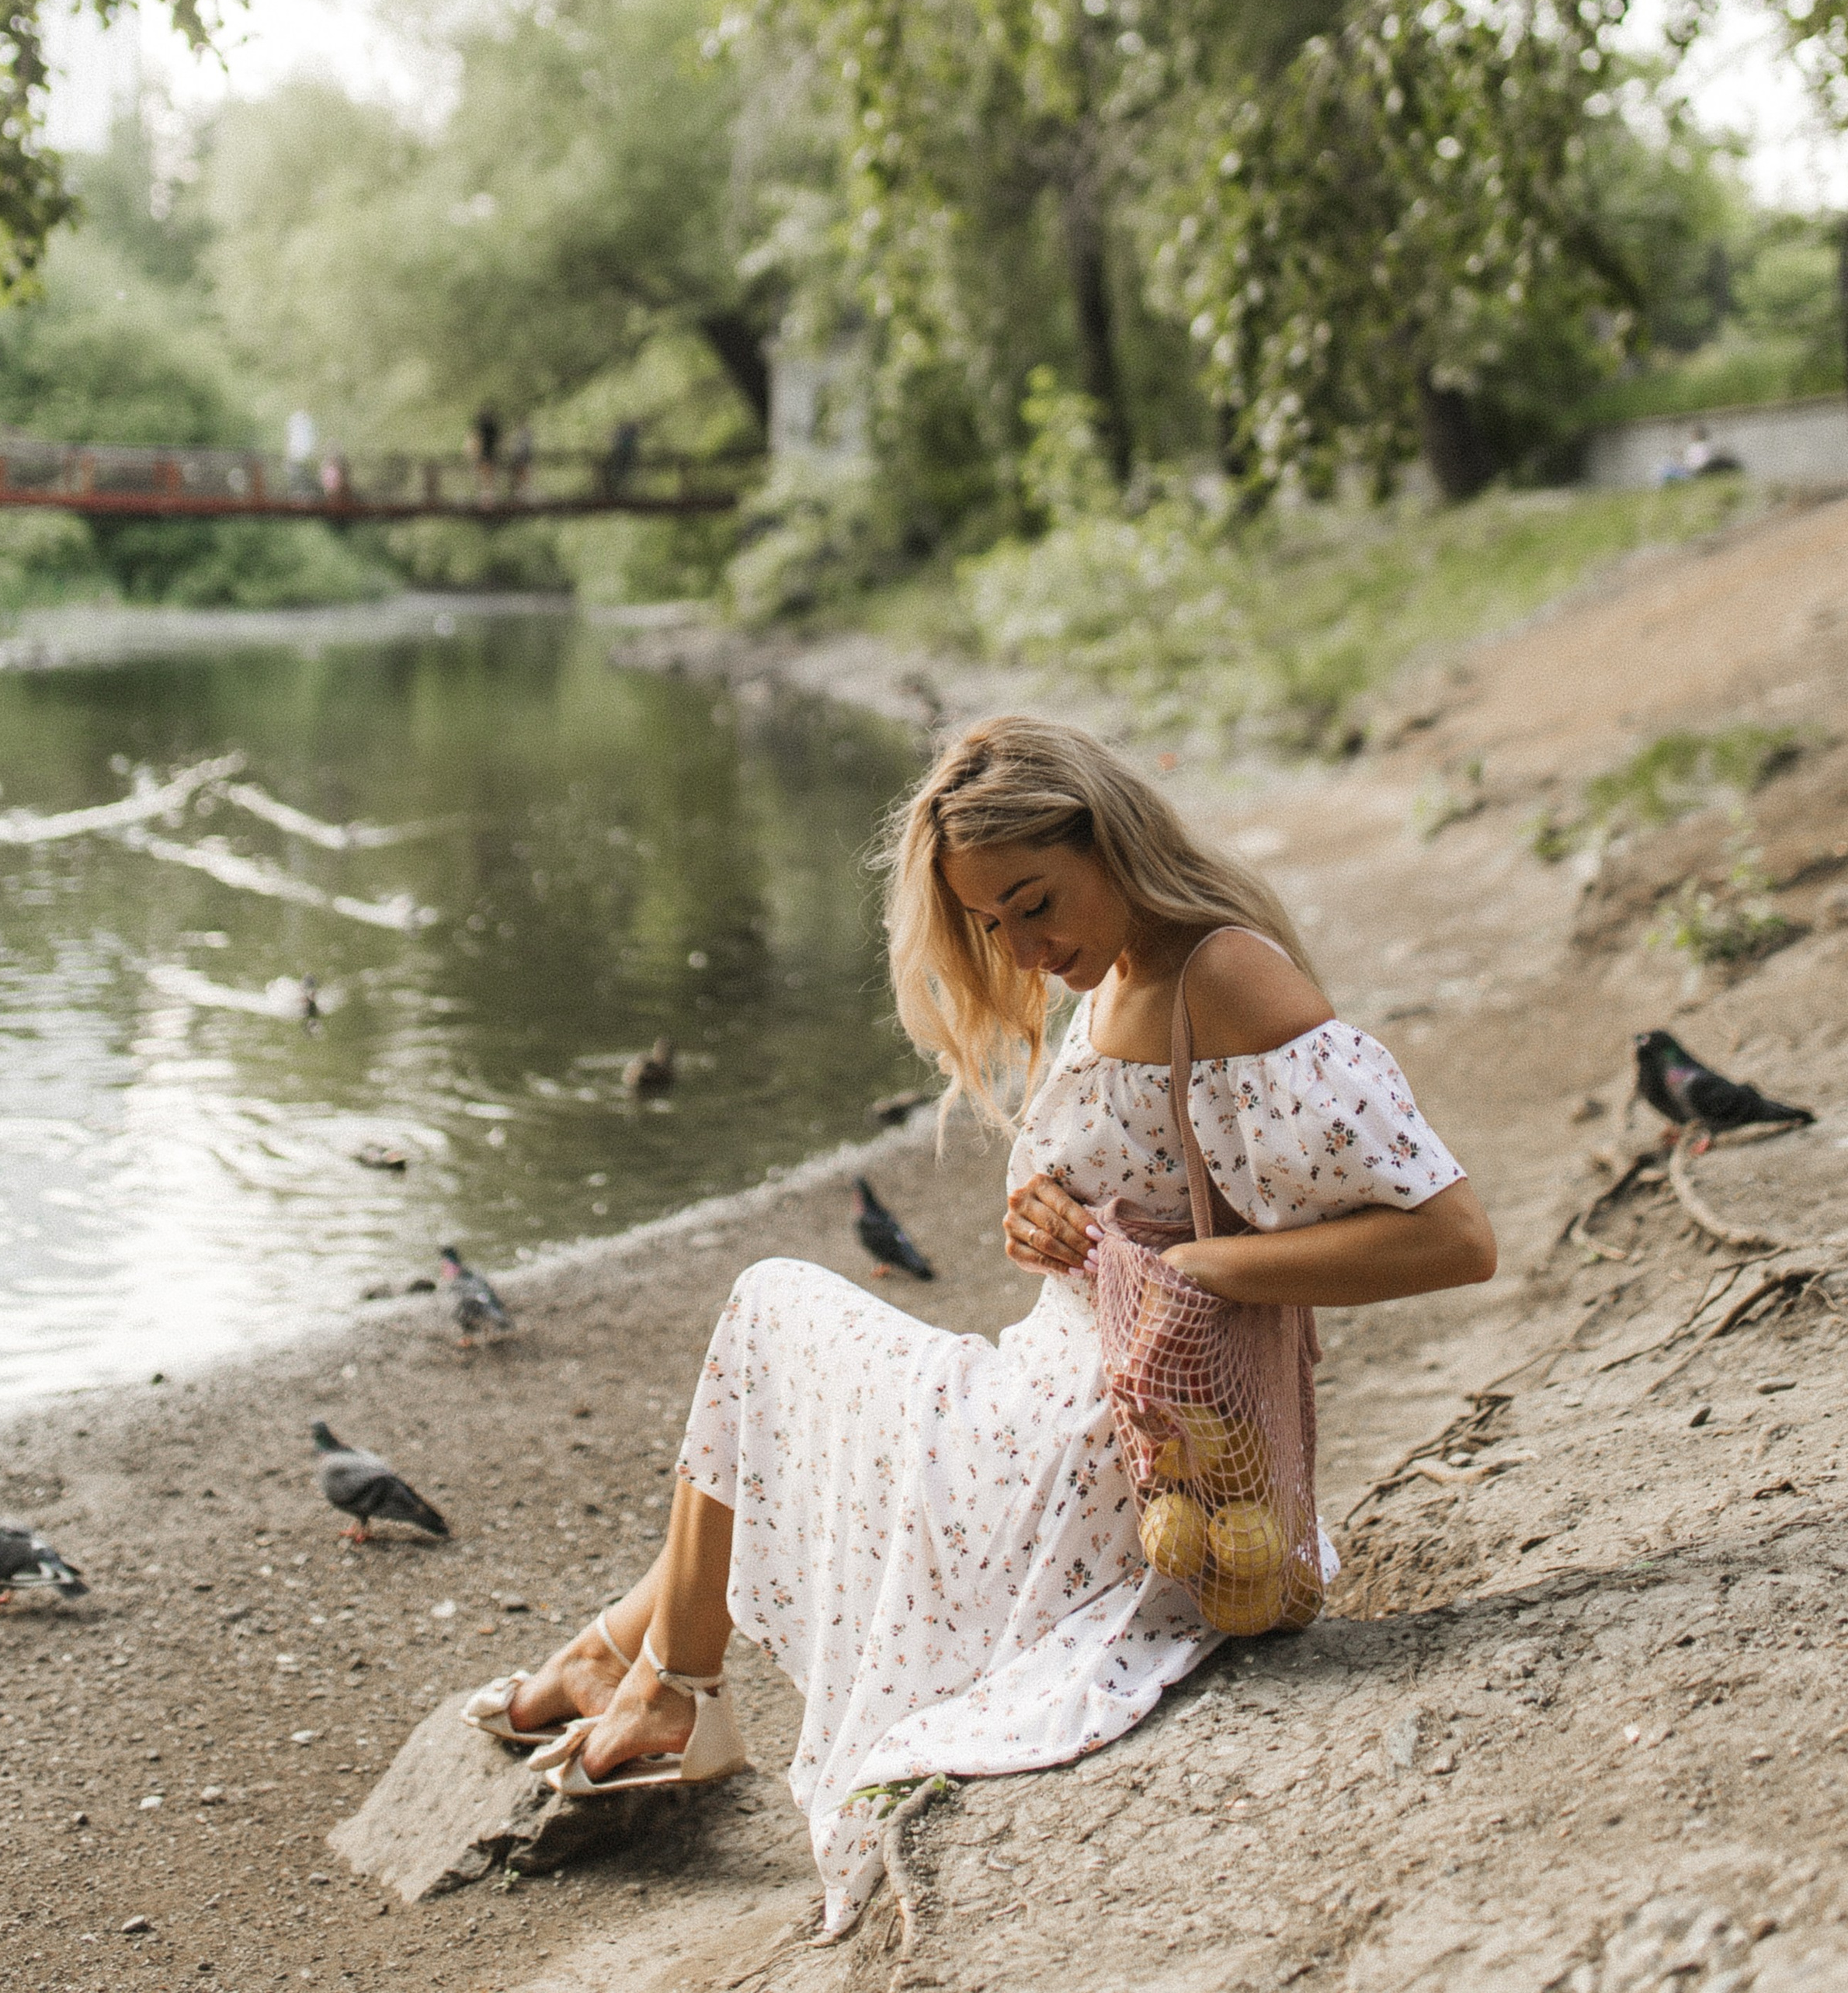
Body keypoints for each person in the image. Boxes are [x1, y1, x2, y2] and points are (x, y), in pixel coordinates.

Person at [464, 717, 1494, 1935]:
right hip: (1055, 1408)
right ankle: (636, 1665)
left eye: (1033, 901)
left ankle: (666, 1684)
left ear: (1110, 839)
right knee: (783, 1367)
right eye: (991, 924)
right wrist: (1043, 1219)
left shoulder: (1223, 973)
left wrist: (1197, 1262)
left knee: (768, 1311)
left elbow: (1454, 1238)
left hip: (1110, 1459)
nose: (1022, 944)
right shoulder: (1114, 971)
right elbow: (1140, 1177)